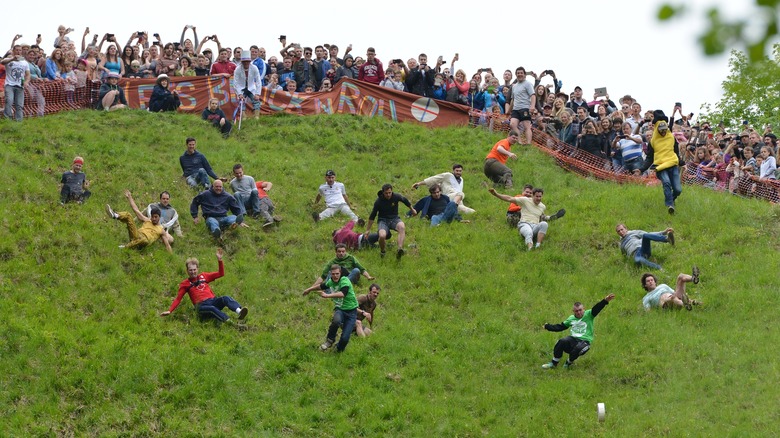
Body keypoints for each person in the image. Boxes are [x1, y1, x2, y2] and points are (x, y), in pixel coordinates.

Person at [160, 248, 249, 322]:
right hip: (201, 306)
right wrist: (170, 310)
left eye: (194, 269)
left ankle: (240, 311)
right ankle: (229, 322)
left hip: (212, 301)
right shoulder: (185, 284)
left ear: (197, 269)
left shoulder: (204, 276)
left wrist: (220, 260)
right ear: (187, 271)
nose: (193, 272)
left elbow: (221, 274)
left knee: (225, 298)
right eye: (190, 270)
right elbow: (178, 299)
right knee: (212, 308)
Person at [541, 293, 616, 369]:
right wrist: (548, 326)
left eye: (580, 310)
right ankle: (554, 363)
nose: (579, 312)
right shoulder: (571, 318)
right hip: (573, 340)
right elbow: (560, 327)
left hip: (585, 341)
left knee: (578, 348)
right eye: (576, 311)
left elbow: (597, 308)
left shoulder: (589, 314)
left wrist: (605, 300)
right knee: (561, 341)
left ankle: (569, 362)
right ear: (573, 311)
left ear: (584, 309)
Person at [302, 264, 359, 353]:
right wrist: (309, 289)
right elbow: (321, 286)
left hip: (352, 312)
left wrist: (327, 295)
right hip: (340, 309)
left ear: (340, 273)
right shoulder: (331, 282)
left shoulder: (344, 280)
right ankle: (330, 340)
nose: (335, 276)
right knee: (336, 321)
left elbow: (342, 294)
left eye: (337, 274)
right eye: (333, 274)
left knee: (345, 338)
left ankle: (338, 350)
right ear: (330, 274)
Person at [488, 187, 565, 250]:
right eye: (537, 196)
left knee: (544, 224)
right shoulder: (525, 200)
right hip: (524, 224)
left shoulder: (542, 206)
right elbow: (509, 198)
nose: (538, 198)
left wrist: (552, 217)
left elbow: (542, 216)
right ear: (533, 196)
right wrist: (496, 194)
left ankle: (538, 246)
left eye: (540, 196)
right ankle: (530, 248)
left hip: (535, 226)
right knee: (529, 231)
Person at [105, 190, 172, 253]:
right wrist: (130, 197)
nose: (154, 219)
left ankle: (126, 247)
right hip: (136, 235)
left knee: (145, 240)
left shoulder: (161, 230)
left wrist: (171, 257)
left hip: (144, 241)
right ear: (150, 217)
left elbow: (167, 245)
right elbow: (136, 210)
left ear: (159, 217)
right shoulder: (147, 220)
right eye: (152, 217)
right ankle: (115, 215)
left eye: (156, 217)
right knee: (128, 215)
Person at [641, 112, 682, 214]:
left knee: (678, 190)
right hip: (660, 167)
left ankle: (671, 199)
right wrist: (641, 169)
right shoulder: (653, 141)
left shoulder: (672, 138)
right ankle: (669, 205)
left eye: (664, 130)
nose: (663, 132)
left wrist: (681, 162)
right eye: (661, 130)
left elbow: (676, 152)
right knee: (666, 183)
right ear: (657, 130)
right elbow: (649, 158)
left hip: (672, 165)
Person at [365, 184, 416, 259]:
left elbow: (404, 200)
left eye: (390, 192)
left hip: (394, 218)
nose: (388, 195)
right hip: (383, 220)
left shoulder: (396, 196)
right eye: (386, 193)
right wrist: (368, 230)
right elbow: (373, 215)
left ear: (392, 191)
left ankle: (399, 249)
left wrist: (412, 209)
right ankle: (383, 251)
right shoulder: (378, 201)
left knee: (402, 226)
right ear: (383, 192)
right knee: (382, 235)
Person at [308, 243, 375, 290]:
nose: (341, 253)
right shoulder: (332, 262)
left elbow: (361, 269)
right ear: (336, 252)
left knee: (356, 270)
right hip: (338, 279)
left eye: (343, 251)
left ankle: (341, 286)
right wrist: (312, 287)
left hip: (350, 277)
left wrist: (368, 276)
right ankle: (329, 290)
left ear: (345, 251)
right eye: (339, 251)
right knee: (330, 272)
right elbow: (323, 276)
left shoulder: (351, 258)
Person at [506, 67, 536, 146]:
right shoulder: (514, 86)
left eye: (521, 73)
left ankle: (528, 144)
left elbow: (533, 95)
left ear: (524, 74)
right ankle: (519, 142)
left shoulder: (528, 84)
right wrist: (509, 111)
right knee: (512, 124)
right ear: (516, 75)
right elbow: (513, 100)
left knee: (526, 126)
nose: (519, 74)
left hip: (525, 108)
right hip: (515, 109)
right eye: (518, 73)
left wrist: (532, 106)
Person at [2, 45, 31, 121]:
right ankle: (8, 119)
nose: (18, 52)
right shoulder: (8, 60)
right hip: (9, 85)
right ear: (13, 51)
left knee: (19, 104)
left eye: (20, 50)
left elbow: (28, 74)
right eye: (17, 50)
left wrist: (26, 82)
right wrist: (12, 59)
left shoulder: (25, 63)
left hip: (20, 85)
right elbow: (2, 62)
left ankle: (19, 121)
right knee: (9, 101)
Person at [233, 52, 262, 119]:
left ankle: (256, 116)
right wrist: (239, 94)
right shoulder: (237, 69)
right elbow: (235, 82)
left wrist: (257, 93)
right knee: (241, 101)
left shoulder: (254, 68)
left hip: (251, 87)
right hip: (241, 88)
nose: (246, 63)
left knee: (256, 100)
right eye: (244, 61)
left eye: (247, 61)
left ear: (250, 61)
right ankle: (243, 116)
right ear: (241, 62)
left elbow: (258, 81)